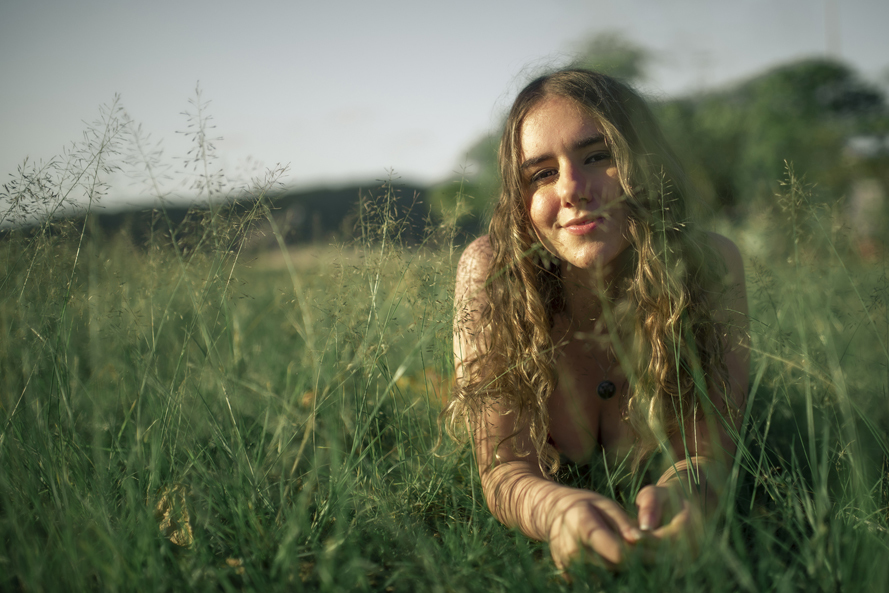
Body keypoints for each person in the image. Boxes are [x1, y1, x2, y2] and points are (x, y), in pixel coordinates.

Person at [445, 69, 749, 570]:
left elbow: (706, 451)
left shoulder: (708, 265)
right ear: (521, 200)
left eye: (598, 156)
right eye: (541, 173)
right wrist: (559, 508)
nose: (572, 189)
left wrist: (687, 498)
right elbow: (505, 470)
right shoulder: (492, 273)